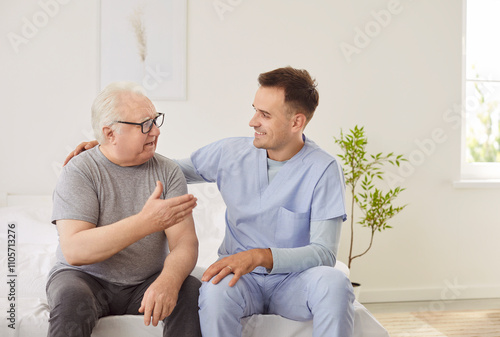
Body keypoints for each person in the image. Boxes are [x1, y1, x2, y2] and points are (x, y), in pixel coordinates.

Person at [66, 67, 355, 337]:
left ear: (297, 122)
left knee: (336, 282)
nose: (253, 121)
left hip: (296, 281)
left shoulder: (323, 169)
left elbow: (323, 254)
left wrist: (259, 256)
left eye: (265, 114)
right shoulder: (231, 153)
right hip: (240, 280)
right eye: (254, 110)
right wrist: (108, 152)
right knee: (213, 291)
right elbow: (164, 170)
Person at [48, 81, 202, 337]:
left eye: (155, 121)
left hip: (146, 281)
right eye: (145, 125)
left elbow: (185, 243)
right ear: (110, 134)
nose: (156, 132)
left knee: (191, 290)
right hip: (84, 278)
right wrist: (146, 222)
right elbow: (75, 250)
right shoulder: (79, 171)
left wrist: (168, 280)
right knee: (71, 300)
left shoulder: (168, 172)